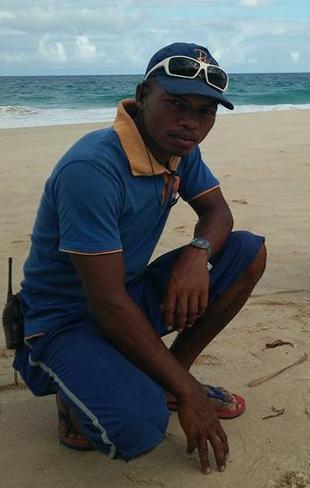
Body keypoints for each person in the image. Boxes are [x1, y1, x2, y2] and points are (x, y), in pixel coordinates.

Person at [13, 42, 266, 474]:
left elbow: (218, 213)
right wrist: (192, 394)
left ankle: (169, 378)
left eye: (206, 111)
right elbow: (105, 304)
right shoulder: (92, 169)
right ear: (142, 94)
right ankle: (72, 393)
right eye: (175, 103)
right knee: (139, 427)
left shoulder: (178, 147)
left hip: (122, 295)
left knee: (246, 252)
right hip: (62, 321)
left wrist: (196, 255)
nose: (191, 122)